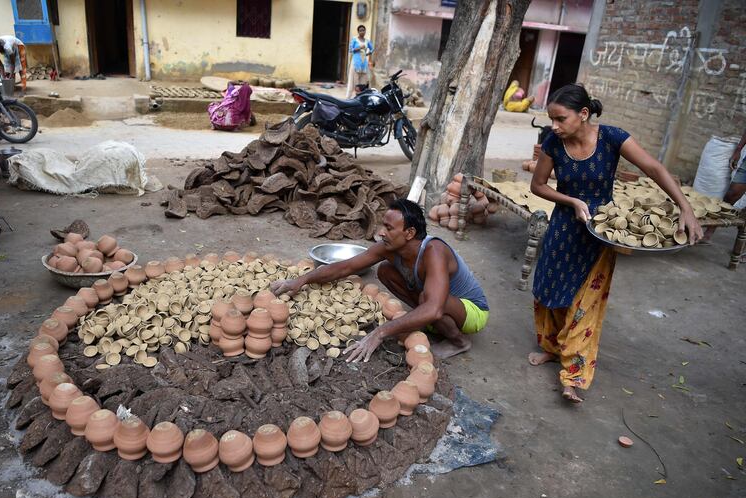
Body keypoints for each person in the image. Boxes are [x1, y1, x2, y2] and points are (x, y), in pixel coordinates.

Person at [526, 84, 703, 404]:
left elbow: (653, 168)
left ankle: (573, 376)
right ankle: (552, 349)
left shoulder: (612, 137)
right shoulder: (554, 141)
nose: (554, 125)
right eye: (551, 118)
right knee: (549, 290)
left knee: (586, 302)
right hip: (564, 226)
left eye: (560, 118)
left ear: (583, 114)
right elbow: (537, 186)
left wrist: (685, 208)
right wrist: (572, 201)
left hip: (601, 231)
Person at [270, 199, 490, 362]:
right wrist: (302, 280)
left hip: (471, 311)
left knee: (429, 301)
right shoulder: (390, 249)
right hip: (437, 304)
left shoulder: (434, 252)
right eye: (383, 225)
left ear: (410, 233)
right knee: (385, 270)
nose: (381, 233)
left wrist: (380, 332)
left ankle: (459, 342)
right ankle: (427, 323)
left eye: (389, 228)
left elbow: (433, 308)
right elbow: (346, 267)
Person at [346, 25, 373, 98]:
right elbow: (351, 50)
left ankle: (360, 99)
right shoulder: (355, 40)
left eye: (363, 30)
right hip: (355, 63)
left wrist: (368, 53)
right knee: (354, 82)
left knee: (363, 84)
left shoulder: (367, 41)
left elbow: (372, 49)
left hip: (364, 64)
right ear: (358, 31)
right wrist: (359, 48)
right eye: (360, 30)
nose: (362, 32)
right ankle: (350, 98)